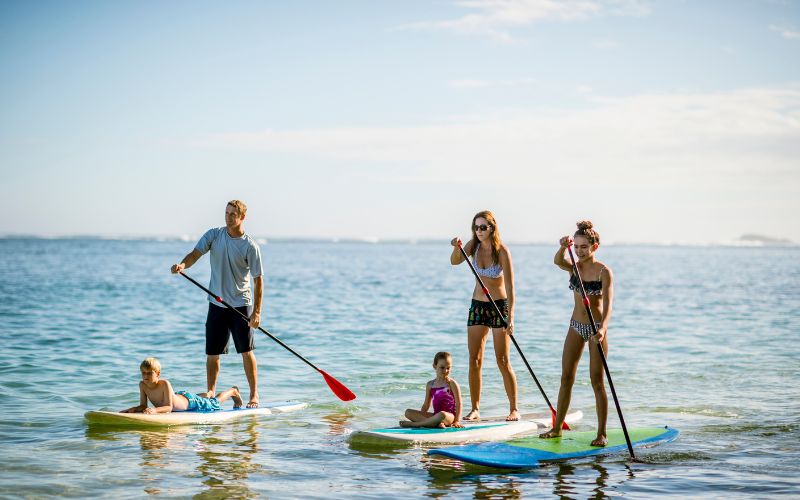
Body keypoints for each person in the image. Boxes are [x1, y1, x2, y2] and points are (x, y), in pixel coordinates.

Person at [171, 200, 263, 408]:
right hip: (216, 304)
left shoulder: (250, 246)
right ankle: (211, 390)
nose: (228, 217)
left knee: (246, 352)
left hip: (241, 305)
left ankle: (254, 395)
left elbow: (258, 280)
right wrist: (182, 265)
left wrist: (256, 312)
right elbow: (195, 254)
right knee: (212, 353)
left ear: (242, 217)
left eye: (233, 214)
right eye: (226, 213)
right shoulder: (214, 235)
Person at [540, 221, 614, 446]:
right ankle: (556, 429)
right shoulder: (574, 266)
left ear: (595, 247)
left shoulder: (604, 271)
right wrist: (563, 247)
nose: (580, 251)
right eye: (577, 247)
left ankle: (601, 434)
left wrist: (602, 329)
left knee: (597, 381)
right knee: (566, 378)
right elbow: (557, 261)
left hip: (596, 329)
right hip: (575, 326)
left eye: (584, 247)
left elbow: (609, 305)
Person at [450, 210, 519, 422]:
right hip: (478, 306)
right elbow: (455, 262)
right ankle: (475, 409)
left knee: (502, 359)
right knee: (475, 359)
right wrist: (456, 247)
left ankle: (514, 408)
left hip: (499, 307)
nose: (479, 231)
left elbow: (510, 286)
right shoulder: (473, 245)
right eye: (476, 227)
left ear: (492, 228)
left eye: (483, 227)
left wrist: (511, 317)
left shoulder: (502, 252)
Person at [121, 357, 243, 414]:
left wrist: (154, 410)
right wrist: (132, 409)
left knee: (214, 403)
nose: (146, 376)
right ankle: (206, 394)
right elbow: (143, 405)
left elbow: (169, 407)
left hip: (190, 401)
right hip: (179, 396)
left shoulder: (164, 384)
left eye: (149, 373)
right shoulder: (142, 385)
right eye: (143, 373)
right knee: (206, 398)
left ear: (158, 373)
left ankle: (232, 391)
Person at [400, 352, 463, 428]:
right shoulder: (430, 385)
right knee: (408, 412)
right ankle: (435, 423)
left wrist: (457, 421)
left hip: (448, 417)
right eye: (442, 367)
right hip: (435, 416)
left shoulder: (451, 384)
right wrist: (421, 415)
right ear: (434, 366)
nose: (446, 371)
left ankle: (415, 424)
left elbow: (459, 404)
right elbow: (426, 405)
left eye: (448, 368)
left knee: (442, 414)